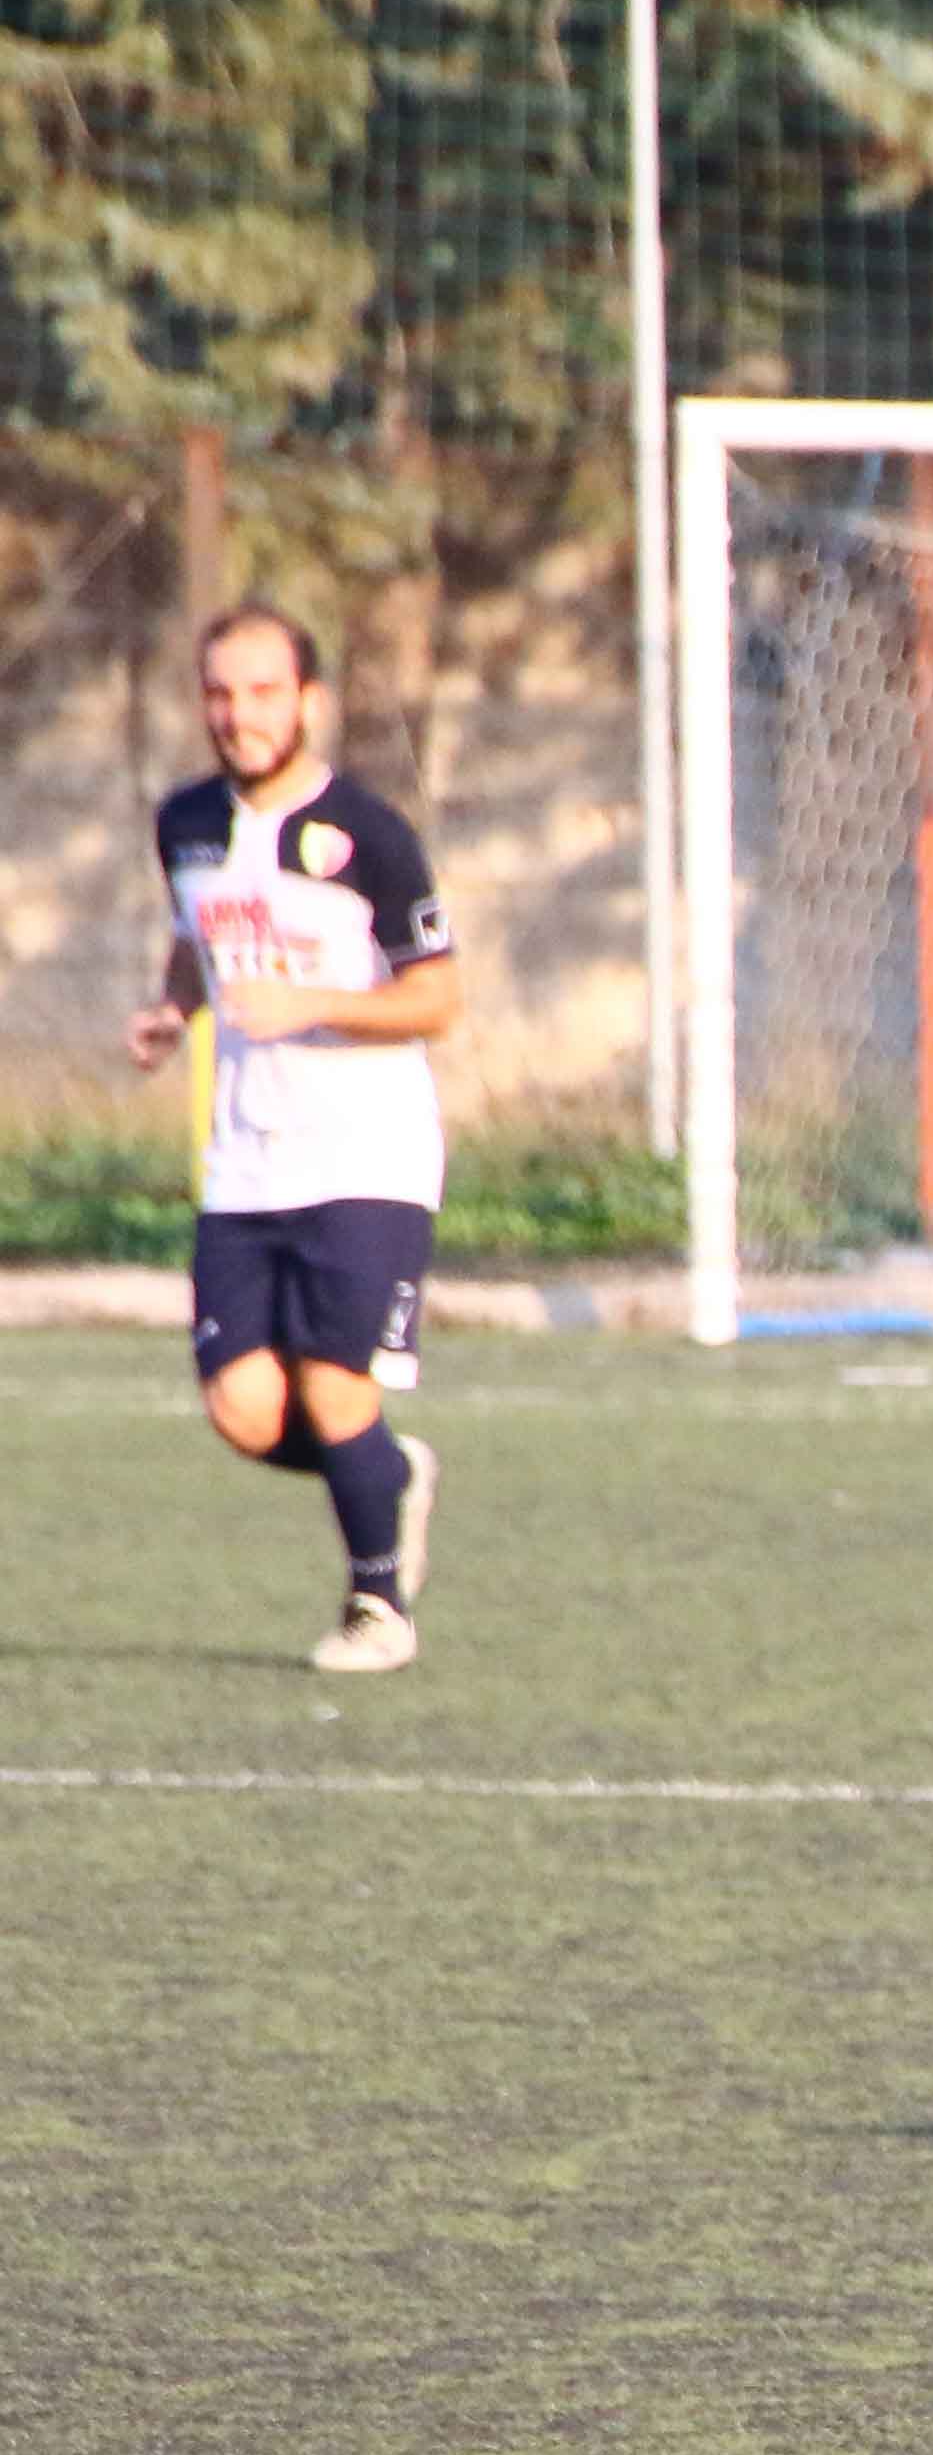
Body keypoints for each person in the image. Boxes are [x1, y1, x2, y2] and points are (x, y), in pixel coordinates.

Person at [127, 602, 458, 1676]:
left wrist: (314, 1002)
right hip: (244, 1163)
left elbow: (437, 1001)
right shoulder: (183, 822)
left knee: (332, 1388)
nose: (241, 713)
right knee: (244, 1409)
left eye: (265, 691)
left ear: (309, 701)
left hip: (368, 1157)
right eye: (222, 693)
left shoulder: (369, 834)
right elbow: (197, 941)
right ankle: (385, 1476)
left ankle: (378, 1607)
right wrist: (175, 1011)